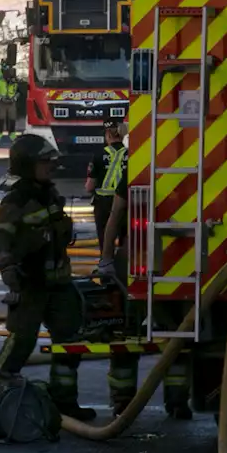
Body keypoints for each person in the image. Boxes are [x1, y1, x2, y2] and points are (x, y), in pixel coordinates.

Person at [0, 134, 97, 421]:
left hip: (60, 285)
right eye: (44, 162)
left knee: (70, 343)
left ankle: (64, 403)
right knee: (21, 342)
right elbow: (0, 239)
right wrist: (8, 268)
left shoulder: (50, 194)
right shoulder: (17, 200)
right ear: (27, 165)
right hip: (31, 284)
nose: (51, 166)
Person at [88, 123, 191, 420]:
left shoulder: (139, 165)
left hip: (134, 258)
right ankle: (177, 402)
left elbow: (115, 215)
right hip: (177, 259)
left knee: (125, 332)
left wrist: (106, 258)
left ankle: (123, 402)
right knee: (177, 332)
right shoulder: (186, 162)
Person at [87, 122, 129, 275]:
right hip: (126, 200)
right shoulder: (130, 153)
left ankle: (106, 266)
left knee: (105, 236)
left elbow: (90, 186)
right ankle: (125, 267)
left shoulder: (98, 155)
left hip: (104, 204)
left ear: (109, 135)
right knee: (126, 236)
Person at [0, 63, 20, 146]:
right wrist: (1, 99)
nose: (9, 74)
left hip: (12, 103)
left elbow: (19, 92)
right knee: (0, 120)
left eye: (10, 72)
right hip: (2, 103)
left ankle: (12, 136)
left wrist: (14, 98)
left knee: (12, 120)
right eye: (7, 72)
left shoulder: (15, 81)